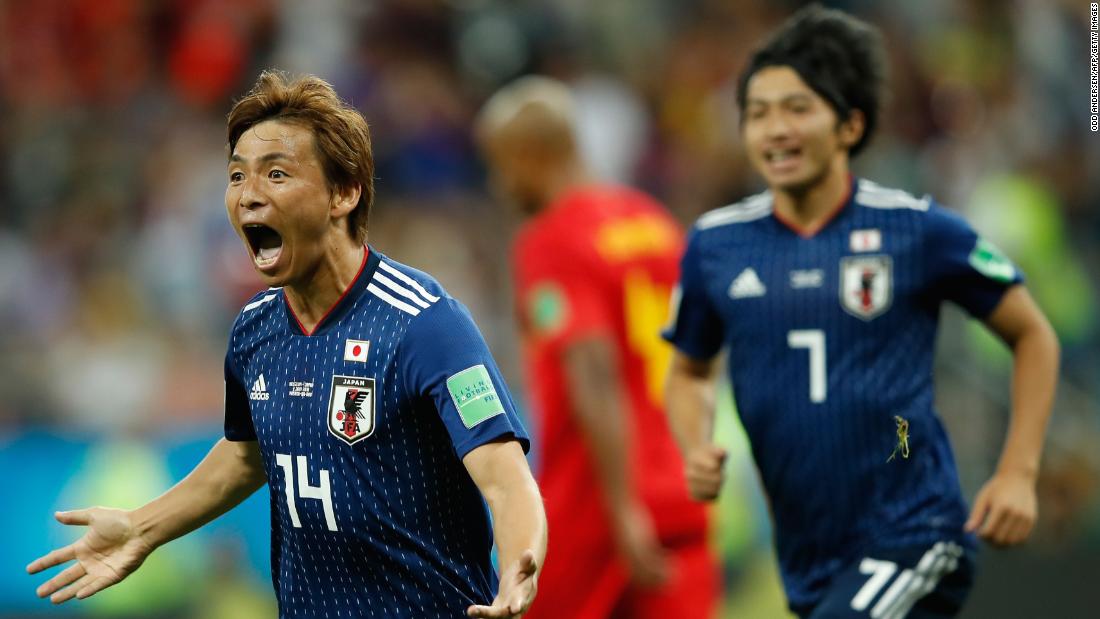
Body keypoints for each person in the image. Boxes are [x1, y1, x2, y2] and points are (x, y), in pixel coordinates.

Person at [28, 70, 547, 619]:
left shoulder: (425, 323)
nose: (248, 196)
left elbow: (506, 479)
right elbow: (246, 454)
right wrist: (141, 526)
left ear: (343, 193)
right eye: (235, 177)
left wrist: (519, 564)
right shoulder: (255, 330)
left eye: (276, 174)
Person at [662, 6, 1059, 619]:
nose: (775, 129)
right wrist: (695, 442)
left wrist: (1017, 473)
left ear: (850, 125)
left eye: (797, 108)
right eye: (758, 113)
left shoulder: (916, 231)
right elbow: (688, 371)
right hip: (809, 553)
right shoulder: (715, 246)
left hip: (912, 530)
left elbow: (1033, 334)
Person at [477, 77, 719, 619]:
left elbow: (593, 370)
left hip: (595, 504)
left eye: (501, 163)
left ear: (532, 154)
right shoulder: (654, 223)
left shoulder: (551, 239)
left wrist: (622, 507)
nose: (499, 183)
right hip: (680, 491)